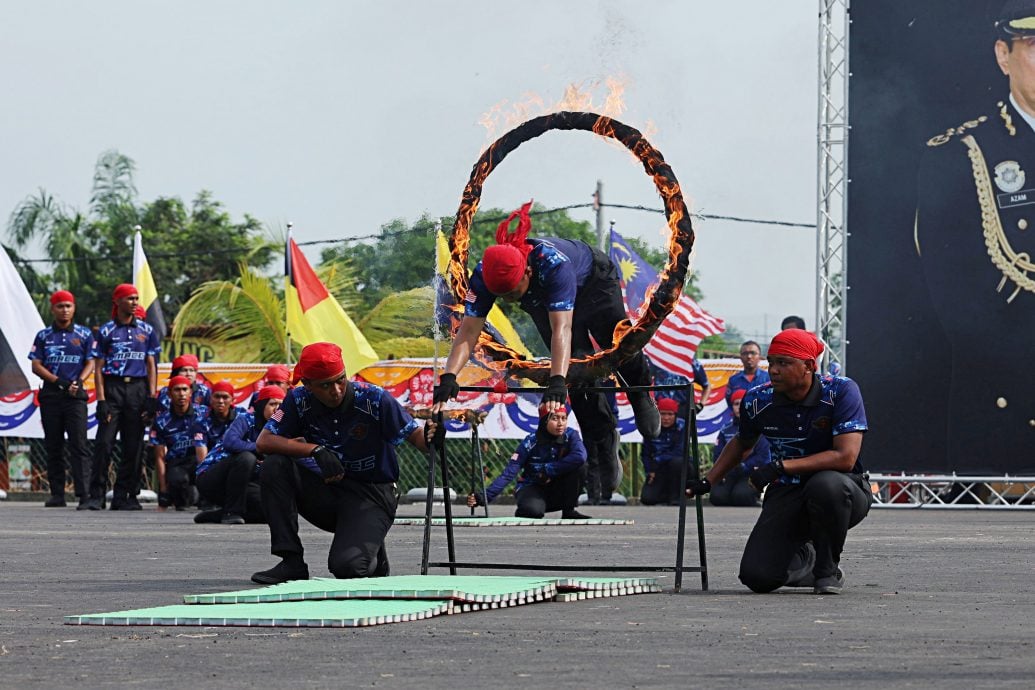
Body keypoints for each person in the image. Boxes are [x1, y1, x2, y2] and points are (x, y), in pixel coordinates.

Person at [431, 202, 660, 453]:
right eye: (502, 295)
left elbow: (562, 329)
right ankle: (601, 441)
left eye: (512, 292)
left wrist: (557, 380)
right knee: (576, 368)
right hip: (542, 298)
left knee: (615, 341)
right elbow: (468, 331)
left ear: (527, 272)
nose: (509, 300)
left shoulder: (553, 264)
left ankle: (641, 395)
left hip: (593, 282)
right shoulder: (483, 276)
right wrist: (449, 375)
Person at [913, 0, 1035, 469]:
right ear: (1003, 55)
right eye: (1033, 46)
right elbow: (958, 302)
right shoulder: (960, 155)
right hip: (1007, 406)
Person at [686, 329, 871, 595]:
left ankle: (827, 570)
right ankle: (806, 556)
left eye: (783, 363)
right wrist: (708, 480)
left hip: (843, 489)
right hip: (787, 492)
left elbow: (845, 457)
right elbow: (742, 442)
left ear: (808, 366)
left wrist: (780, 466)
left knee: (825, 485)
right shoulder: (758, 399)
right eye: (771, 362)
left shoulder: (840, 391)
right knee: (757, 577)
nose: (773, 370)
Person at [251, 342, 438, 585]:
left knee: (347, 568)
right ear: (307, 385)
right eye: (325, 385)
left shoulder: (374, 398)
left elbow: (417, 438)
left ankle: (371, 548)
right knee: (274, 465)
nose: (336, 390)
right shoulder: (298, 400)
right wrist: (314, 450)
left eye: (340, 380)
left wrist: (433, 435)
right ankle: (291, 561)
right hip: (329, 490)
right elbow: (264, 441)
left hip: (372, 495)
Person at [85, 284, 161, 511]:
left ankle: (124, 495)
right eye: (130, 298)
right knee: (104, 444)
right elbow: (98, 368)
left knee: (134, 446)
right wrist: (101, 400)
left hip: (137, 390)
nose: (135, 302)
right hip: (113, 389)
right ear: (117, 302)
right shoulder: (106, 331)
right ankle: (96, 496)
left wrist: (151, 397)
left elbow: (151, 365)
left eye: (137, 298)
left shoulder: (147, 331)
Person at [28, 290, 95, 508]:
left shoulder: (85, 335)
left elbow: (91, 362)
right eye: (60, 306)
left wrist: (79, 381)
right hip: (51, 396)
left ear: (74, 308)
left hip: (76, 396)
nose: (64, 310)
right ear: (52, 309)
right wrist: (58, 381)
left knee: (79, 444)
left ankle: (84, 495)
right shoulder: (43, 335)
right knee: (53, 444)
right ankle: (57, 494)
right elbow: (35, 365)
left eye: (68, 306)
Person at [468, 404, 589, 519]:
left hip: (557, 488)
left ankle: (569, 510)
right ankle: (529, 506)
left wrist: (547, 469)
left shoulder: (571, 435)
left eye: (564, 418)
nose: (560, 423)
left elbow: (580, 456)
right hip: (533, 486)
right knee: (533, 512)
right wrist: (483, 497)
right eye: (555, 418)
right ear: (544, 421)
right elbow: (508, 473)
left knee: (580, 466)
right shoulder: (530, 442)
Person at [195, 385, 284, 525]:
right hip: (212, 479)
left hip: (243, 484)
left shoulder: (281, 429)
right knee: (247, 457)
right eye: (272, 404)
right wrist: (260, 448)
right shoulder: (246, 419)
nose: (277, 409)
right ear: (261, 406)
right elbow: (230, 442)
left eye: (281, 405)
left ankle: (216, 515)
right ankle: (232, 512)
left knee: (273, 511)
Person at [150, 375, 208, 510]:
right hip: (177, 463)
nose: (181, 394)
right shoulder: (161, 421)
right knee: (179, 491)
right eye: (177, 390)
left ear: (190, 392)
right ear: (170, 394)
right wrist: (163, 490)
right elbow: (159, 457)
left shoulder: (203, 413)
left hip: (201, 462)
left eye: (184, 389)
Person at [710, 390, 771, 507]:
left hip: (750, 472)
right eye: (736, 404)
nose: (740, 407)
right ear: (732, 406)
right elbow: (718, 454)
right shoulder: (725, 429)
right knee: (717, 497)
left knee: (741, 496)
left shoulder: (760, 427)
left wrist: (744, 466)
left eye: (743, 403)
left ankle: (753, 495)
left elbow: (763, 457)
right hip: (729, 472)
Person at [639, 398, 686, 506]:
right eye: (663, 414)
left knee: (677, 462)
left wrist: (658, 460)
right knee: (647, 499)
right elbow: (645, 453)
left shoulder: (682, 427)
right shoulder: (651, 427)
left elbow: (679, 451)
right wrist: (649, 471)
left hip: (677, 467)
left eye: (670, 414)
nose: (666, 418)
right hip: (657, 469)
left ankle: (677, 496)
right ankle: (664, 495)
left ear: (676, 415)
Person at [195, 380, 243, 451]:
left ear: (232, 400)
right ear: (211, 399)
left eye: (225, 397)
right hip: (211, 458)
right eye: (217, 397)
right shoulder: (201, 417)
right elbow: (201, 448)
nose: (220, 401)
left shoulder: (241, 416)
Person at [724, 340, 770, 406]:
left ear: (759, 357)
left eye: (753, 353)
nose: (749, 356)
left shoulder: (768, 378)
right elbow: (729, 400)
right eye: (745, 353)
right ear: (740, 357)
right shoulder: (733, 380)